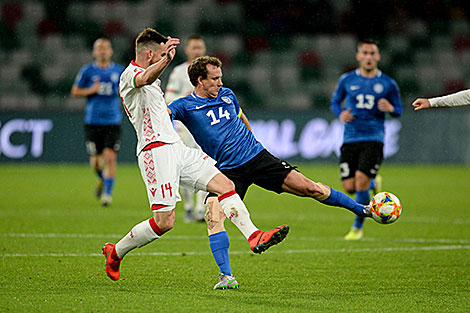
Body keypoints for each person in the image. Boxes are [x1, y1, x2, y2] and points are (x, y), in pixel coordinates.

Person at [102, 28, 289, 289]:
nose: (162, 58)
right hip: (155, 151)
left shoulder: (153, 80)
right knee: (164, 222)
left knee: (225, 185)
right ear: (149, 54)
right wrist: (166, 60)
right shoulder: (129, 76)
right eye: (158, 54)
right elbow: (144, 77)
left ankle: (254, 235)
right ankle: (116, 252)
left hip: (177, 147)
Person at [168, 56, 376, 289]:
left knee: (310, 187)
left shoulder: (227, 94)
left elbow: (241, 118)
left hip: (257, 158)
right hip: (226, 170)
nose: (220, 82)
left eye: (220, 77)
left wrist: (250, 139)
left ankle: (364, 210)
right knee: (213, 216)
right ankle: (226, 277)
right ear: (200, 80)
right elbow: (161, 117)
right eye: (215, 78)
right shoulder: (184, 106)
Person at [330, 39, 402, 240]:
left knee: (360, 183)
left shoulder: (387, 83)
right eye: (365, 53)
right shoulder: (347, 80)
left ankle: (357, 227)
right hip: (350, 138)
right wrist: (340, 113)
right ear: (358, 56)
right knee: (349, 187)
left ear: (378, 56)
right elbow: (335, 102)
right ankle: (373, 183)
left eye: (372, 53)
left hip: (373, 137)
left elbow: (399, 109)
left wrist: (390, 108)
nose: (369, 57)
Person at [71, 38, 124, 206]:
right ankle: (102, 180)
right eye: (99, 48)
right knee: (95, 162)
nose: (103, 51)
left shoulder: (119, 70)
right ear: (94, 52)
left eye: (106, 48)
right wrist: (90, 90)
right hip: (93, 121)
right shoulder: (87, 71)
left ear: (111, 51)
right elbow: (75, 91)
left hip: (113, 120)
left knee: (110, 157)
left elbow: (127, 90)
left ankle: (107, 195)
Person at [165, 35, 208, 223]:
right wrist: (189, 97)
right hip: (184, 126)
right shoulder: (179, 72)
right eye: (194, 48)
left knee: (206, 163)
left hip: (205, 125)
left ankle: (201, 208)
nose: (197, 51)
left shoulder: (211, 72)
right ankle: (189, 206)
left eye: (200, 47)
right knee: (184, 165)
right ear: (187, 50)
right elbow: (168, 99)